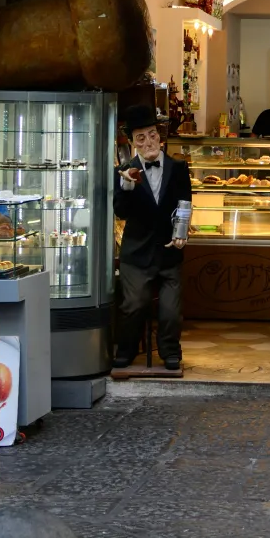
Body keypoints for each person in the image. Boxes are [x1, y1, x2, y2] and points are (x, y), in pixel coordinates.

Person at [113, 105, 193, 371]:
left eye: (151, 135)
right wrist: (125, 185)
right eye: (140, 138)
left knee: (170, 310)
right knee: (133, 305)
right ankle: (125, 350)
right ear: (134, 143)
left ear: (160, 136)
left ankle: (170, 351)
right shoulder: (125, 171)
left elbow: (184, 204)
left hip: (169, 252)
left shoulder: (178, 168)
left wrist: (181, 235)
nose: (147, 142)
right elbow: (120, 212)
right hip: (136, 253)